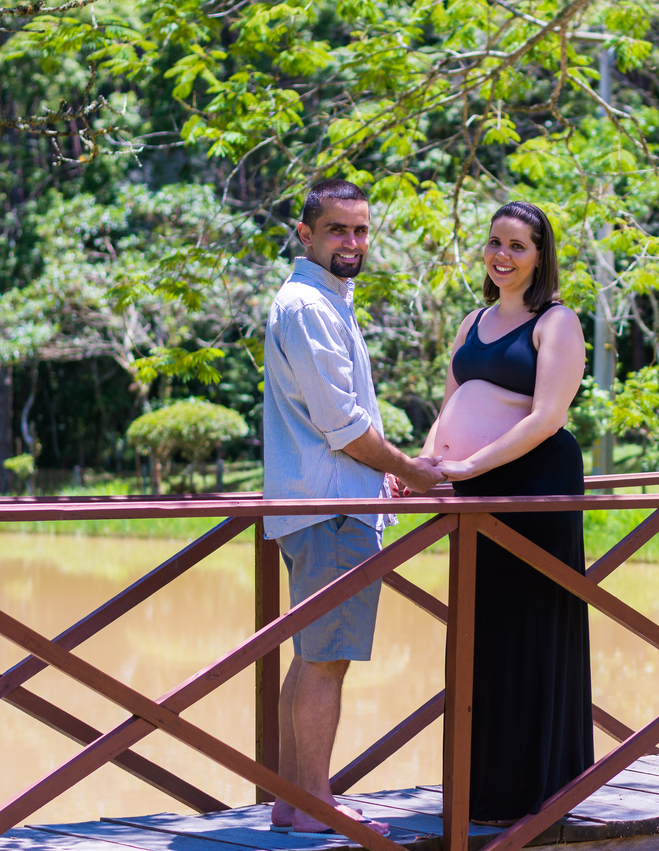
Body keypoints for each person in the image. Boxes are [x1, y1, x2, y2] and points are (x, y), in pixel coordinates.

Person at [263, 179, 444, 837]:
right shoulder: (310, 307)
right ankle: (315, 801)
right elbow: (342, 423)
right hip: (333, 510)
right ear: (305, 234)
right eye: (337, 229)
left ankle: (293, 799)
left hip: (322, 502)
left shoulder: (324, 300)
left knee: (314, 652)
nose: (352, 242)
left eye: (361, 230)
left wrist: (383, 473)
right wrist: (411, 470)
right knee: (326, 659)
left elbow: (337, 422)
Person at [422, 200, 593, 824]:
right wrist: (422, 466)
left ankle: (540, 794)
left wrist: (470, 466)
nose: (502, 255)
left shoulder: (557, 322)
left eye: (518, 245)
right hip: (476, 491)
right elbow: (450, 406)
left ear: (541, 256)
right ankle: (482, 791)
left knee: (530, 631)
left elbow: (548, 417)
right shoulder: (472, 321)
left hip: (534, 489)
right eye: (495, 242)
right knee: (482, 631)